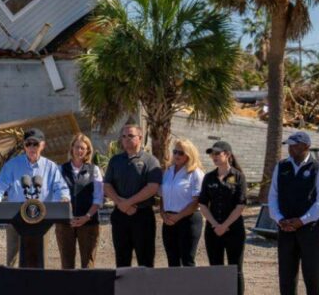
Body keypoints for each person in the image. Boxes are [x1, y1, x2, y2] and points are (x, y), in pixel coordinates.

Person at [0, 128, 70, 267]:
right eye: (28, 144)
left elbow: (60, 188)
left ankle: (39, 285)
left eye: (35, 144)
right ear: (24, 146)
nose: (32, 147)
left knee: (39, 258)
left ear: (43, 145)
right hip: (15, 218)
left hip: (42, 220)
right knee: (12, 260)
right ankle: (13, 285)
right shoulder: (12, 165)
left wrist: (63, 198)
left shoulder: (51, 167)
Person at [268, 131, 319, 295]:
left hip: (309, 229)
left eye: (295, 146)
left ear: (306, 147)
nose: (291, 149)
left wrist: (302, 221)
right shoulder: (281, 167)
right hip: (285, 228)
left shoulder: (318, 169)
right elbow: (273, 196)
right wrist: (280, 219)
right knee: (286, 274)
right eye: (290, 146)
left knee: (312, 274)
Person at [104, 124, 163, 268]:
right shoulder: (115, 160)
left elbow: (153, 187)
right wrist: (120, 203)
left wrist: (128, 202)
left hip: (142, 216)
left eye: (130, 136)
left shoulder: (151, 161)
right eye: (123, 136)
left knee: (145, 259)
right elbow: (107, 185)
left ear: (140, 138)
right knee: (122, 259)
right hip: (120, 215)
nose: (126, 139)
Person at [199, 141, 248, 295]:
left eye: (217, 153)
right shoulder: (209, 177)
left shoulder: (238, 176)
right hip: (213, 230)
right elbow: (203, 204)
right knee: (216, 269)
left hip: (234, 230)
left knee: (235, 270)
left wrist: (225, 225)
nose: (214, 157)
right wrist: (215, 225)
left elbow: (240, 205)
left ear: (227, 155)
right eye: (212, 154)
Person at [55, 133, 103, 269]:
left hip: (88, 223)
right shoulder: (60, 169)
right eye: (77, 147)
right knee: (66, 263)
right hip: (65, 224)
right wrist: (67, 216)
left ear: (88, 150)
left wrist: (87, 217)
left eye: (83, 148)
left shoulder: (94, 170)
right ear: (71, 149)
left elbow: (98, 198)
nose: (79, 151)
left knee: (88, 265)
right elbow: (55, 195)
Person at [159, 138, 205, 267]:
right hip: (168, 220)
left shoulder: (195, 173)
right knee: (172, 261)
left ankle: (190, 287)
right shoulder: (168, 171)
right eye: (175, 152)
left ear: (189, 155)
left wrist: (178, 217)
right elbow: (163, 195)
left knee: (187, 260)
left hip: (188, 220)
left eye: (181, 153)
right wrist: (163, 214)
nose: (177, 155)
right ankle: (175, 287)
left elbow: (196, 201)